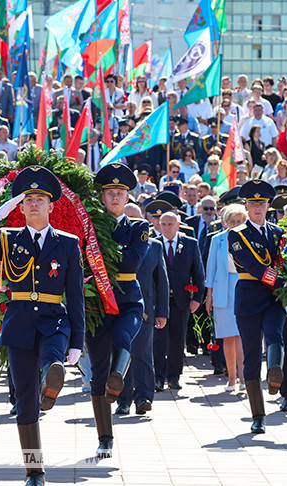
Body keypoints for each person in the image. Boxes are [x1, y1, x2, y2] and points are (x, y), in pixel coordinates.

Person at [0, 166, 84, 486]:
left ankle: (51, 378)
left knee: (52, 357)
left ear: (51, 206)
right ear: (19, 207)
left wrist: (77, 339)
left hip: (54, 318)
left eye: (40, 199)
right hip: (19, 321)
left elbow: (75, 295)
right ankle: (34, 470)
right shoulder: (8, 238)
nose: (34, 203)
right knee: (25, 403)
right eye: (28, 199)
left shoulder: (68, 243)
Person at [86, 164, 150, 457]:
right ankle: (105, 437)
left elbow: (131, 262)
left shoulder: (138, 227)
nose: (114, 197)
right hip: (97, 303)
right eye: (109, 193)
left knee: (124, 337)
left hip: (127, 301)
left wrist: (102, 252)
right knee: (97, 373)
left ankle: (118, 376)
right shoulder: (90, 227)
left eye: (119, 193)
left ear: (127, 198)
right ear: (102, 197)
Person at [227, 180, 286, 434]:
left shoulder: (279, 233)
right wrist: (280, 281)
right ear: (247, 207)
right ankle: (258, 415)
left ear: (268, 206)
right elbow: (252, 266)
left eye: (262, 203)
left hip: (274, 298)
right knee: (251, 357)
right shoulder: (237, 234)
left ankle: (274, 373)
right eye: (253, 204)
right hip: (250, 296)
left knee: (275, 334)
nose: (258, 208)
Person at [117, 203, 168, 415]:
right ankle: (123, 400)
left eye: (136, 219)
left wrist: (162, 312)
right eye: (128, 219)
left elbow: (161, 280)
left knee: (143, 354)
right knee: (121, 354)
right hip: (119, 307)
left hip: (145, 309)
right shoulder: (112, 242)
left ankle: (144, 397)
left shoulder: (154, 246)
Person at [153, 212, 205, 391]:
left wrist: (197, 298)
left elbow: (198, 272)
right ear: (159, 225)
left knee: (177, 339)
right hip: (159, 301)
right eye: (164, 224)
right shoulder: (153, 244)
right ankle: (158, 377)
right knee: (159, 340)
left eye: (170, 224)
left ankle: (174, 376)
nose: (167, 228)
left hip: (181, 300)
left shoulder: (190, 243)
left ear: (178, 225)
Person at [205, 203, 246, 393]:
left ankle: (244, 378)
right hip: (222, 288)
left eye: (239, 221)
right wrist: (209, 295)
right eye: (232, 221)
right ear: (225, 222)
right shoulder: (217, 240)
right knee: (228, 336)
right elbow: (211, 267)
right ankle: (231, 378)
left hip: (244, 286)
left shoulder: (248, 238)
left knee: (242, 335)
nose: (235, 224)